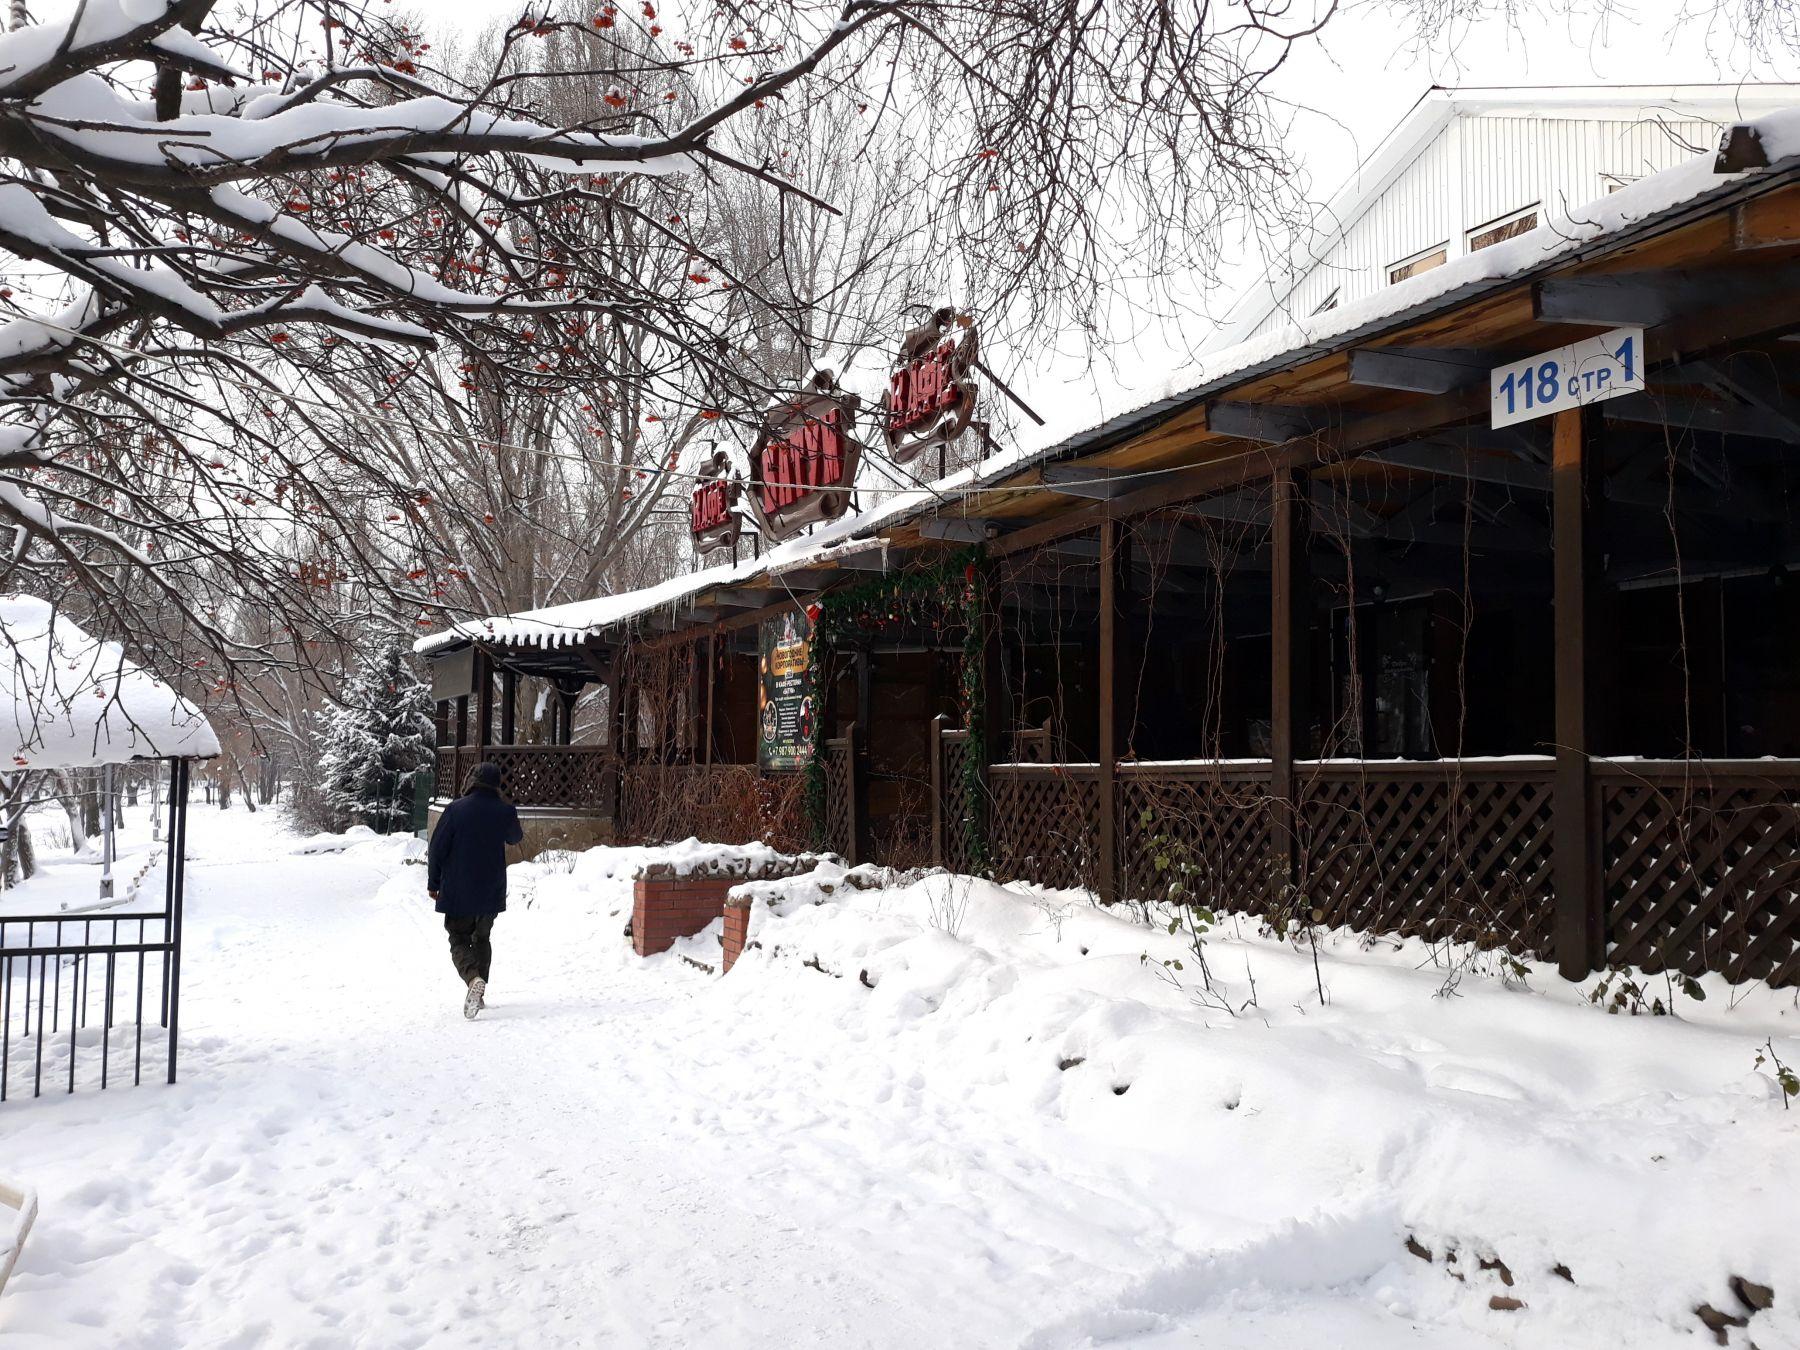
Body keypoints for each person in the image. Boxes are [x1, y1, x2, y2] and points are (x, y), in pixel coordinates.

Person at [426, 761, 524, 1019]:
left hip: (458, 889)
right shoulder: (505, 811)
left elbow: (437, 849)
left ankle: (472, 978)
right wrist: (504, 808)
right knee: (482, 938)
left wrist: (434, 883)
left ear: (471, 781)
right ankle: (479, 992)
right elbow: (515, 837)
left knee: (458, 938)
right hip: (491, 890)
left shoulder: (455, 810)